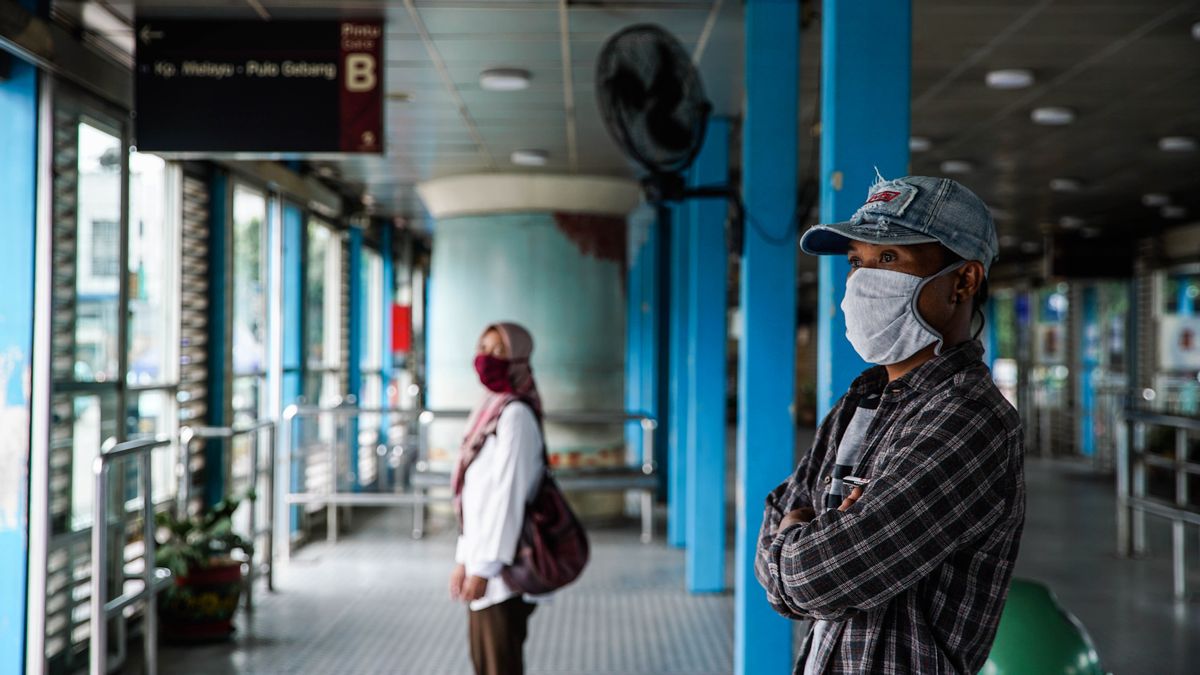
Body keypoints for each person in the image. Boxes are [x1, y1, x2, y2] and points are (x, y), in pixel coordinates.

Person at [755, 175, 1026, 674]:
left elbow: (816, 577)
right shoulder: (861, 400)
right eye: (856, 262)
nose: (861, 281)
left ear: (963, 282)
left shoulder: (970, 422)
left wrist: (800, 542)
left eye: (888, 259)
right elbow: (779, 513)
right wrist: (807, 533)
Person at [449, 322, 546, 675]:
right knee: (485, 663)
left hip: (502, 573)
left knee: (497, 666)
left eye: (498, 351)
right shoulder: (491, 407)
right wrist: (464, 558)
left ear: (519, 358)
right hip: (482, 562)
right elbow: (474, 496)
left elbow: (507, 498)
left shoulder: (516, 415)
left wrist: (484, 568)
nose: (486, 358)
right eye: (483, 348)